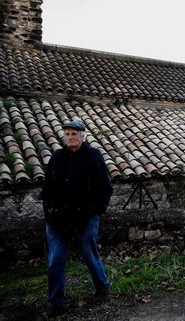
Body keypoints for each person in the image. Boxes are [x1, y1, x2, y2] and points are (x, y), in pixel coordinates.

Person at [41, 121, 113, 318]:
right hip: (57, 219)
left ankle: (102, 288)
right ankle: (56, 302)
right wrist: (48, 211)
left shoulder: (93, 156)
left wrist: (97, 212)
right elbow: (47, 187)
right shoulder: (57, 157)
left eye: (74, 134)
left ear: (83, 136)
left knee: (90, 255)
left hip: (84, 218)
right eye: (67, 134)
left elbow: (105, 188)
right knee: (55, 260)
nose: (71, 137)